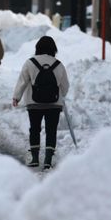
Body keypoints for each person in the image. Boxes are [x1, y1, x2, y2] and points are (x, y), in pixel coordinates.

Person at [12, 36, 69, 169]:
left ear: (37, 48)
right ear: (54, 49)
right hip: (54, 104)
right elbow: (65, 86)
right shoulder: (59, 65)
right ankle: (48, 159)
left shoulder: (30, 63)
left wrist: (16, 97)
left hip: (34, 103)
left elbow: (22, 82)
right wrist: (59, 96)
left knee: (35, 129)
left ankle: (35, 158)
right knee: (51, 130)